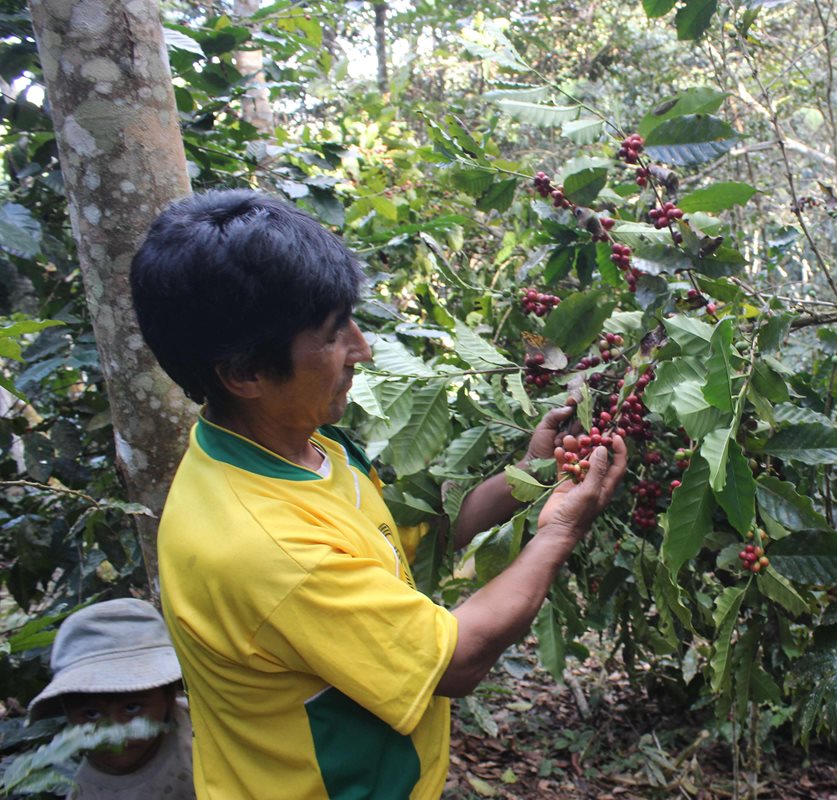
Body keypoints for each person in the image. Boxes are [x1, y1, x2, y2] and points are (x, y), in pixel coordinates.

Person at [128, 189, 626, 799]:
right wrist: (559, 531)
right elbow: (456, 658)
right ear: (245, 374)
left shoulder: (301, 449)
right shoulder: (263, 546)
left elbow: (406, 539)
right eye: (336, 335)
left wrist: (530, 472)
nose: (362, 349)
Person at [26, 598, 195, 799]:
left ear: (168, 696)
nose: (115, 731)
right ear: (69, 715)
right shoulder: (87, 793)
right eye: (91, 714)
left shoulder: (202, 728)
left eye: (132, 708)